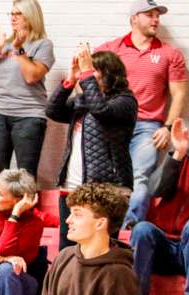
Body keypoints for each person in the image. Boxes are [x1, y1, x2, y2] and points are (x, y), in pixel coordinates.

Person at [96, 0, 188, 227]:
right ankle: (105, 228)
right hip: (113, 123)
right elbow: (87, 76)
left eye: (158, 15)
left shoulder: (170, 53)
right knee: (107, 178)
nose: (156, 19)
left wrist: (167, 127)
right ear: (134, 18)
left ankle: (130, 227)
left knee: (140, 177)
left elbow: (179, 93)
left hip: (148, 126)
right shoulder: (112, 49)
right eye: (149, 14)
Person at [46, 47, 137, 249]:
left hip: (107, 188)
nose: (86, 74)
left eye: (93, 70)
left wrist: (86, 75)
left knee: (103, 247)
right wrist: (70, 79)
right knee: (67, 247)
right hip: (71, 186)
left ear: (110, 73)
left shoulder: (125, 101)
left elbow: (101, 110)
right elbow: (52, 110)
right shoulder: (83, 101)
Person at [130, 114, 189, 295]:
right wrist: (177, 155)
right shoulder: (185, 154)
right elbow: (154, 189)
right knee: (142, 229)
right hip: (166, 246)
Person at [0, 0, 54, 183]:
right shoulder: (4, 44)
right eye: (11, 14)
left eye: (18, 14)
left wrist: (19, 51)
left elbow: (32, 76)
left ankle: (23, 211)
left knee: (25, 175)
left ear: (31, 16)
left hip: (29, 116)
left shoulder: (43, 45)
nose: (13, 18)